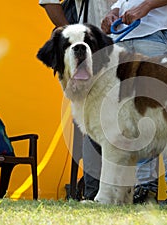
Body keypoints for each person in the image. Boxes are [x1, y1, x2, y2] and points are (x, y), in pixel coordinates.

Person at [101, 0, 167, 205]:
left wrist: (146, 6)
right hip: (123, 38)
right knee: (138, 119)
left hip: (156, 34)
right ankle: (145, 188)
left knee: (166, 116)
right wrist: (113, 12)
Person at [39, 0, 116, 201]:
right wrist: (70, 34)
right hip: (87, 51)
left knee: (119, 128)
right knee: (91, 127)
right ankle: (93, 191)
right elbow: (49, 1)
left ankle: (120, 191)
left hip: (118, 46)